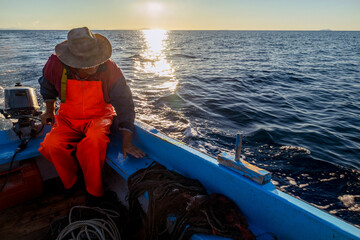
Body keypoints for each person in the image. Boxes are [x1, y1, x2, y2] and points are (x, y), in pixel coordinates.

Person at [38, 27, 145, 205]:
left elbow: (125, 104)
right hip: (67, 118)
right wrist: (49, 111)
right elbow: (47, 87)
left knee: (93, 143)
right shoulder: (55, 64)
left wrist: (127, 141)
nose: (92, 66)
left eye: (94, 61)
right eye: (85, 63)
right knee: (51, 145)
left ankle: (95, 193)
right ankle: (72, 182)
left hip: (98, 117)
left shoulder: (111, 69)